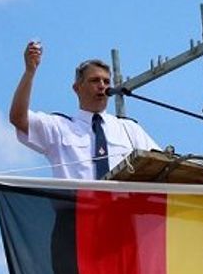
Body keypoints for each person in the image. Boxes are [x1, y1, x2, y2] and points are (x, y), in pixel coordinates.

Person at [9, 41, 160, 180]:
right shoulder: (59, 127)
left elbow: (162, 164)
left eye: (106, 82)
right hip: (78, 207)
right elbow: (18, 118)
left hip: (123, 207)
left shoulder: (129, 129)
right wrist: (30, 71)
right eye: (95, 80)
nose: (102, 86)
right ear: (77, 88)